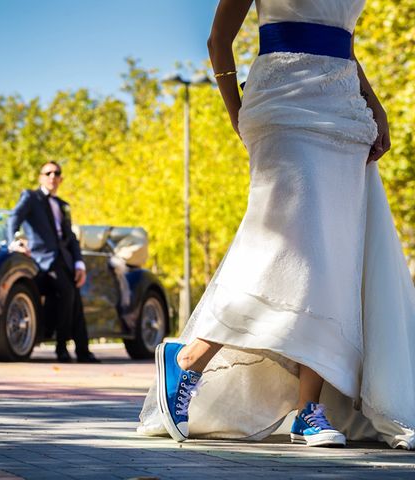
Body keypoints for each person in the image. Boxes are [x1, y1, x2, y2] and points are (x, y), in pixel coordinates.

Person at [139, 0, 415, 449]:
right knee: (282, 247)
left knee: (333, 258)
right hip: (282, 102)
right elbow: (218, 40)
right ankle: (189, 357)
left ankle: (310, 410)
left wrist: (375, 105)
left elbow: (342, 42)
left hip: (343, 107)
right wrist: (236, 109)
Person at [7, 161, 99, 363]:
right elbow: (14, 217)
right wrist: (13, 241)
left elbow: (71, 238)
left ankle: (83, 351)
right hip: (43, 261)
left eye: (57, 173)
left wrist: (79, 264)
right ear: (40, 176)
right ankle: (61, 348)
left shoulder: (63, 205)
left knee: (75, 299)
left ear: (61, 179)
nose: (52, 177)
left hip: (65, 261)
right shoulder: (30, 197)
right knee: (67, 294)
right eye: (48, 173)